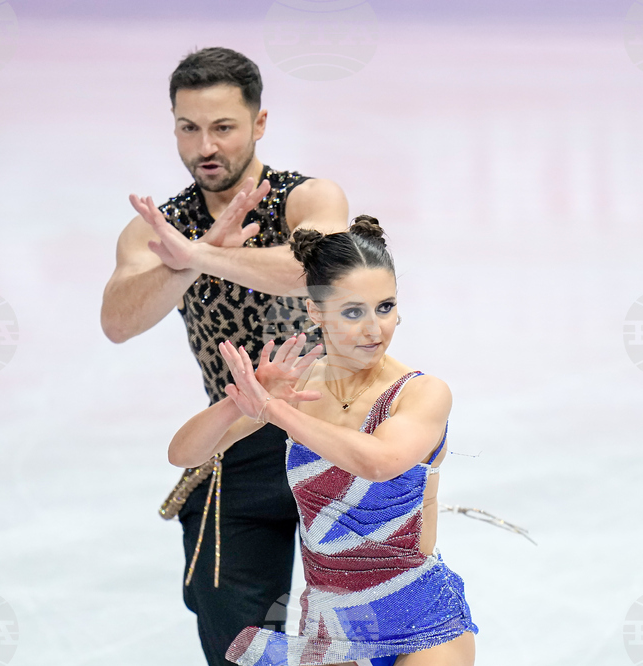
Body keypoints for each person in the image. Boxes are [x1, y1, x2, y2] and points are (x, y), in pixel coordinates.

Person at [100, 47, 348, 666]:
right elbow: (118, 320)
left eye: (223, 127)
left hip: (333, 438)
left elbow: (314, 270)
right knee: (237, 639)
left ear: (259, 124)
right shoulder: (159, 227)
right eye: (189, 128)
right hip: (237, 438)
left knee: (355, 635)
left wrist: (199, 257)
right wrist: (192, 249)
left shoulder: (305, 199)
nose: (204, 145)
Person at [168, 217, 478, 666]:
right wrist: (244, 402)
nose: (375, 329)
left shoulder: (421, 392)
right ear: (316, 311)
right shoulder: (299, 392)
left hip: (420, 620)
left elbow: (379, 461)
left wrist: (276, 411)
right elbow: (184, 453)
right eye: (353, 312)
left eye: (385, 307)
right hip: (331, 628)